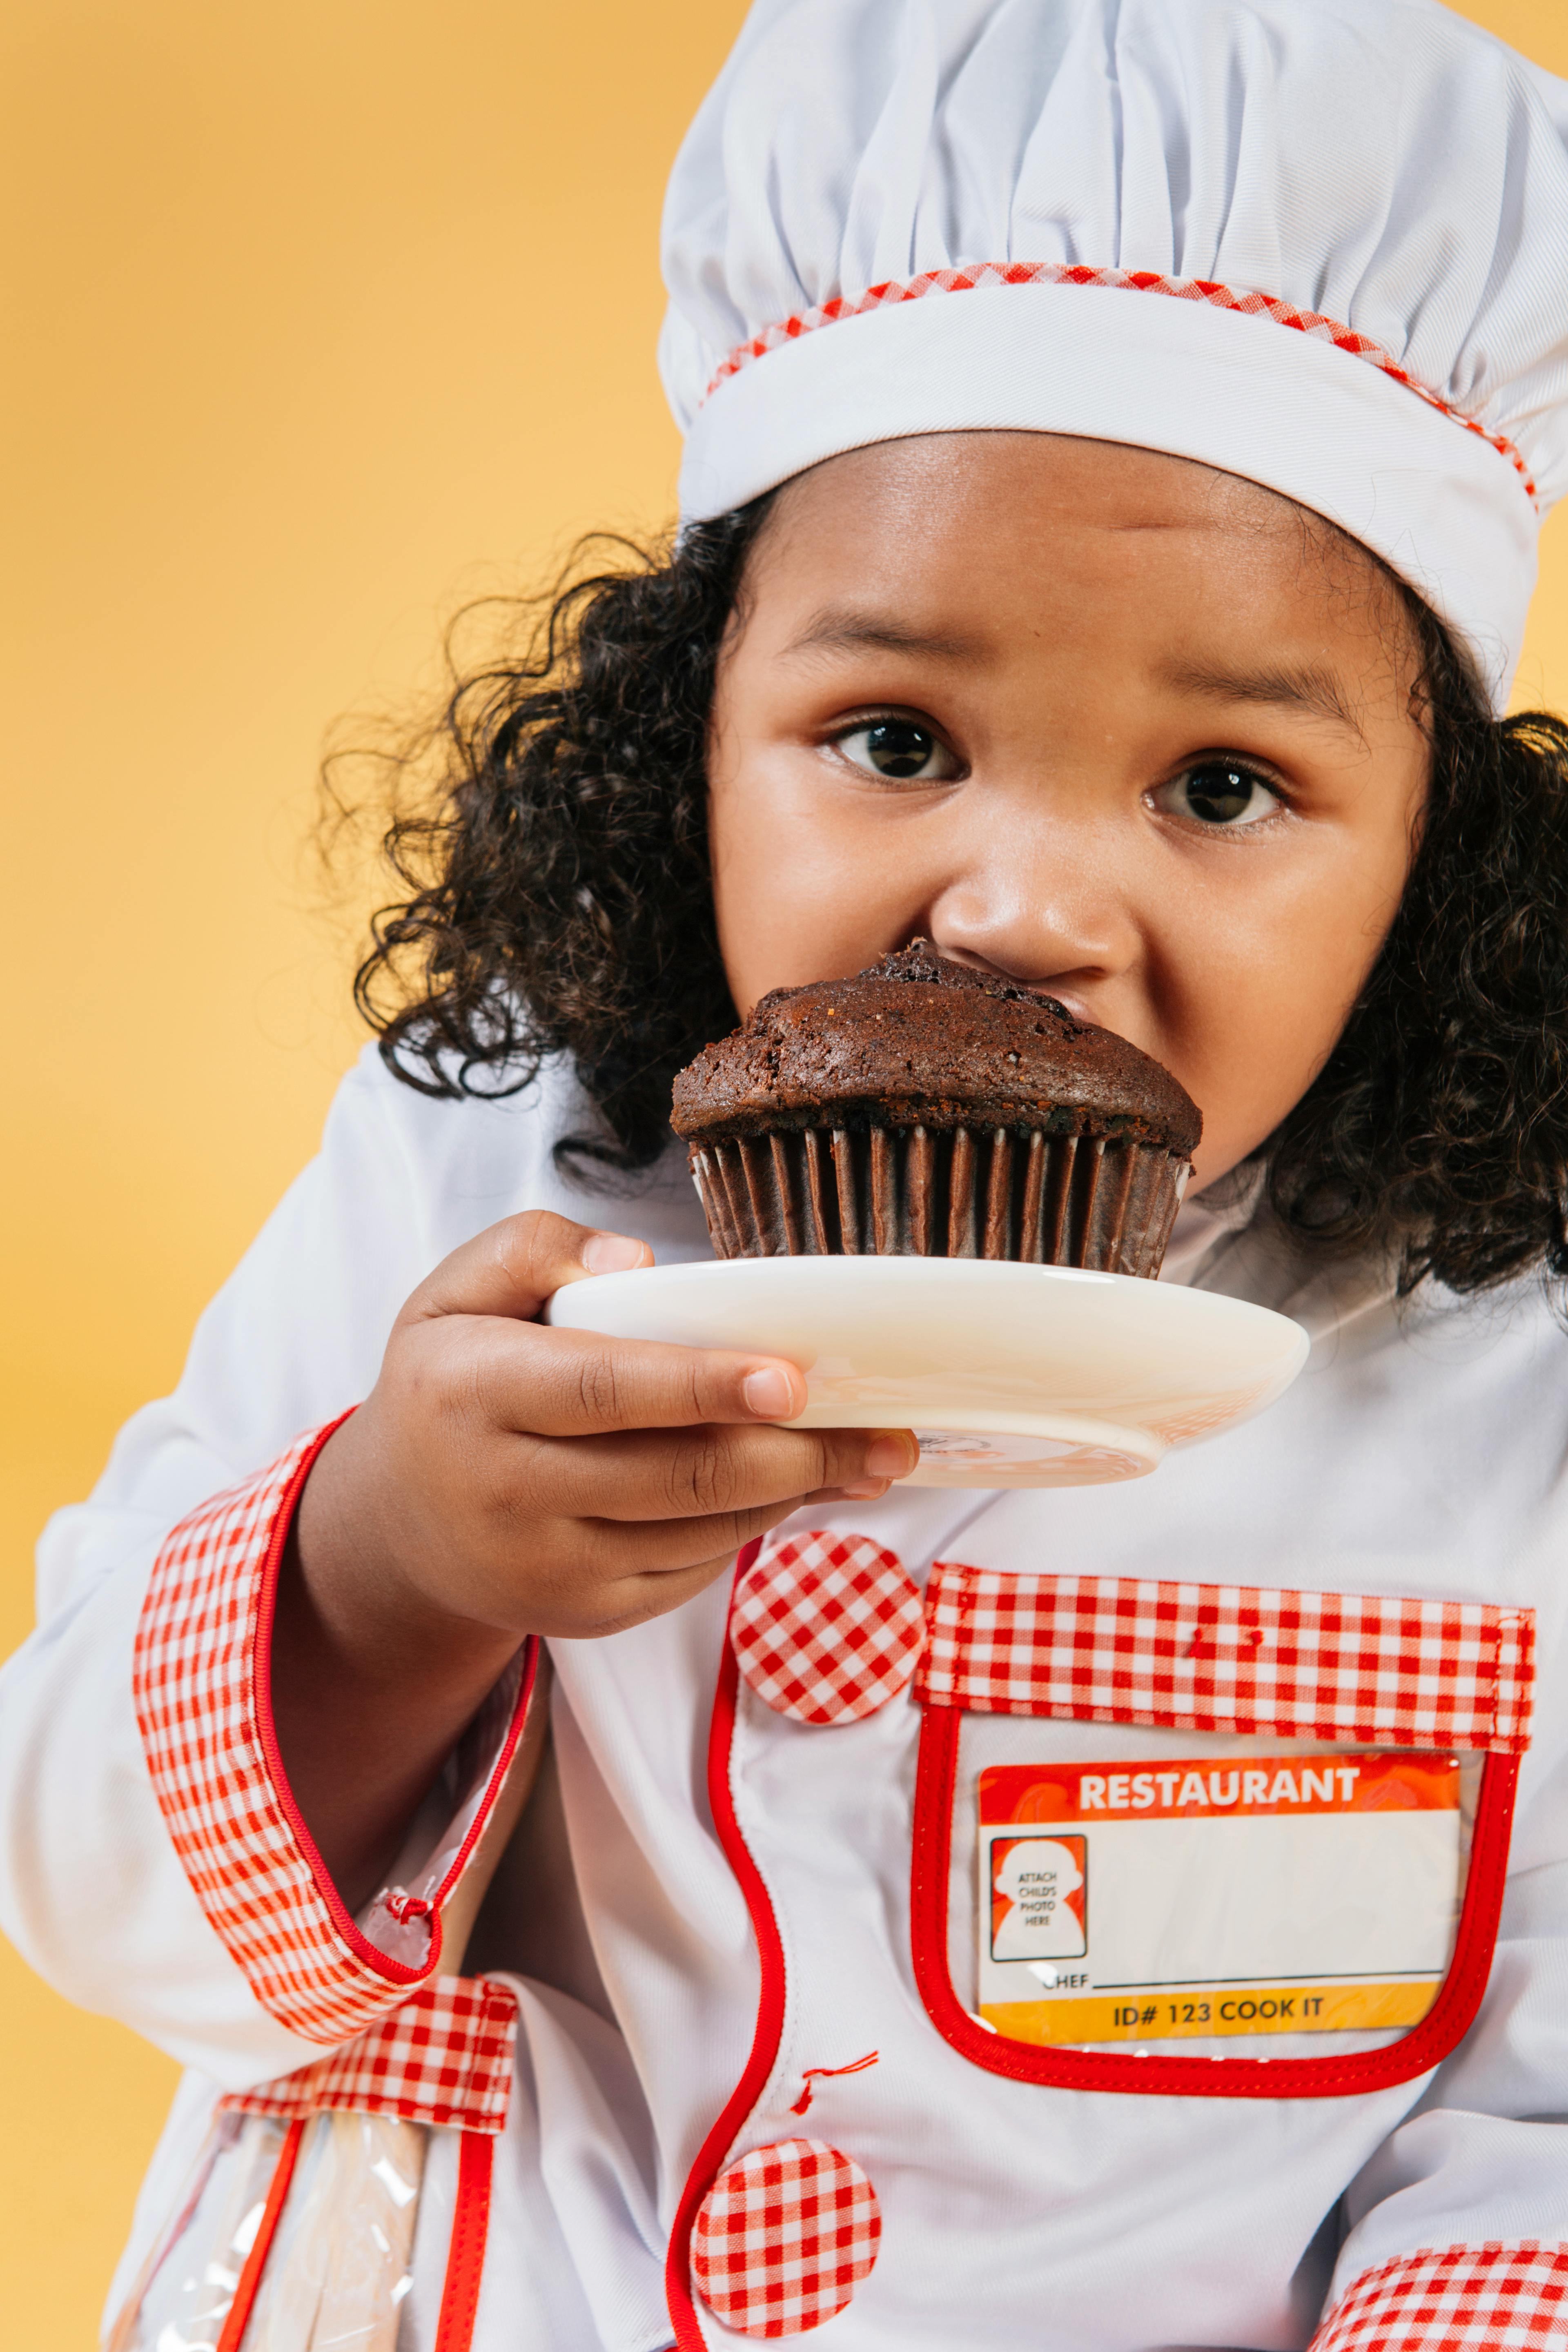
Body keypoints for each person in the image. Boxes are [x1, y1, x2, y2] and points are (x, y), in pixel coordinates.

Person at [5, 0, 1568, 2345]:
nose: (1021, 915)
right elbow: (76, 1875)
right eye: (894, 740)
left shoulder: (1507, 1378)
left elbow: (1537, 2130)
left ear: (1438, 872)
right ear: (689, 748)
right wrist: (386, 1569)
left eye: (1225, 786)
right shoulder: (486, 1173)